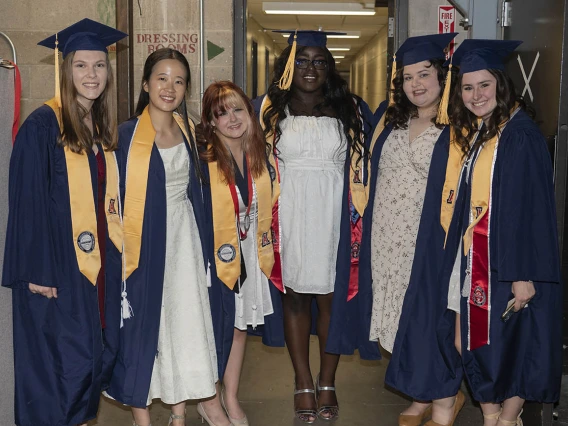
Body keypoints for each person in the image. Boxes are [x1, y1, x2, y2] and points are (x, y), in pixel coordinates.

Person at [1, 18, 126, 426]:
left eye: (99, 66)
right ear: (65, 69)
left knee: (93, 358)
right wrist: (35, 270)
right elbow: (25, 203)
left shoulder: (99, 128)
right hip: (54, 269)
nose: (92, 75)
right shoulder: (42, 126)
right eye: (81, 66)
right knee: (60, 366)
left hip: (95, 267)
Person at [253, 30, 379, 424]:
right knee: (293, 297)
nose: (311, 69)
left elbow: (375, 161)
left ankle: (328, 380)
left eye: (320, 61)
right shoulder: (268, 109)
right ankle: (302, 381)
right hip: (287, 213)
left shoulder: (352, 109)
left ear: (330, 68)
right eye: (302, 60)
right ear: (289, 65)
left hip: (336, 214)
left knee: (330, 298)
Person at [442, 39, 562, 425]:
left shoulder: (519, 136)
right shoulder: (486, 132)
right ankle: (494, 416)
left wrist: (522, 276)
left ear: (501, 85)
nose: (476, 95)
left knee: (513, 346)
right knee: (471, 342)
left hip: (508, 263)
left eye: (484, 85)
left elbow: (531, 212)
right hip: (478, 257)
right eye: (467, 87)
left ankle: (505, 419)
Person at [104, 48, 219, 426]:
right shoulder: (124, 136)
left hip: (182, 238)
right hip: (141, 240)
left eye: (179, 81)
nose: (170, 87)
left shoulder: (189, 130)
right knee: (143, 326)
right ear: (145, 84)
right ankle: (142, 416)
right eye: (162, 78)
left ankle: (179, 412)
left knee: (181, 322)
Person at [358, 33, 464, 426]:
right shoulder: (391, 117)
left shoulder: (458, 125)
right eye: (407, 77)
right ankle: (421, 394)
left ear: (442, 75)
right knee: (403, 315)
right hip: (387, 237)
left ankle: (444, 399)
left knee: (431, 314)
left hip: (430, 238)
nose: (416, 84)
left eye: (425, 74)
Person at [197, 80, 283, 426]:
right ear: (211, 122)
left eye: (237, 109)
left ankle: (230, 395)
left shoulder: (258, 154)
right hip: (214, 253)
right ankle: (209, 397)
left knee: (238, 327)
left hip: (247, 249)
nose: (231, 118)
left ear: (250, 112)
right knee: (213, 326)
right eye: (221, 113)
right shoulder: (202, 158)